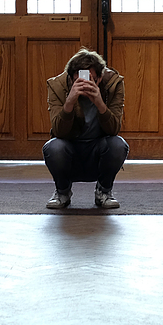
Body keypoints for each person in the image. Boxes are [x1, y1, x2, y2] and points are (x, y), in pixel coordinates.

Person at [43, 48, 128, 209]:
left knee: (118, 144)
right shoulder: (57, 85)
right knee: (53, 147)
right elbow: (58, 131)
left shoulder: (113, 84)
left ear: (100, 77)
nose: (84, 84)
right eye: (79, 80)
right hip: (70, 149)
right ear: (71, 77)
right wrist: (70, 101)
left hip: (99, 149)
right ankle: (62, 192)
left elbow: (114, 129)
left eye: (91, 79)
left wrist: (99, 102)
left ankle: (104, 191)